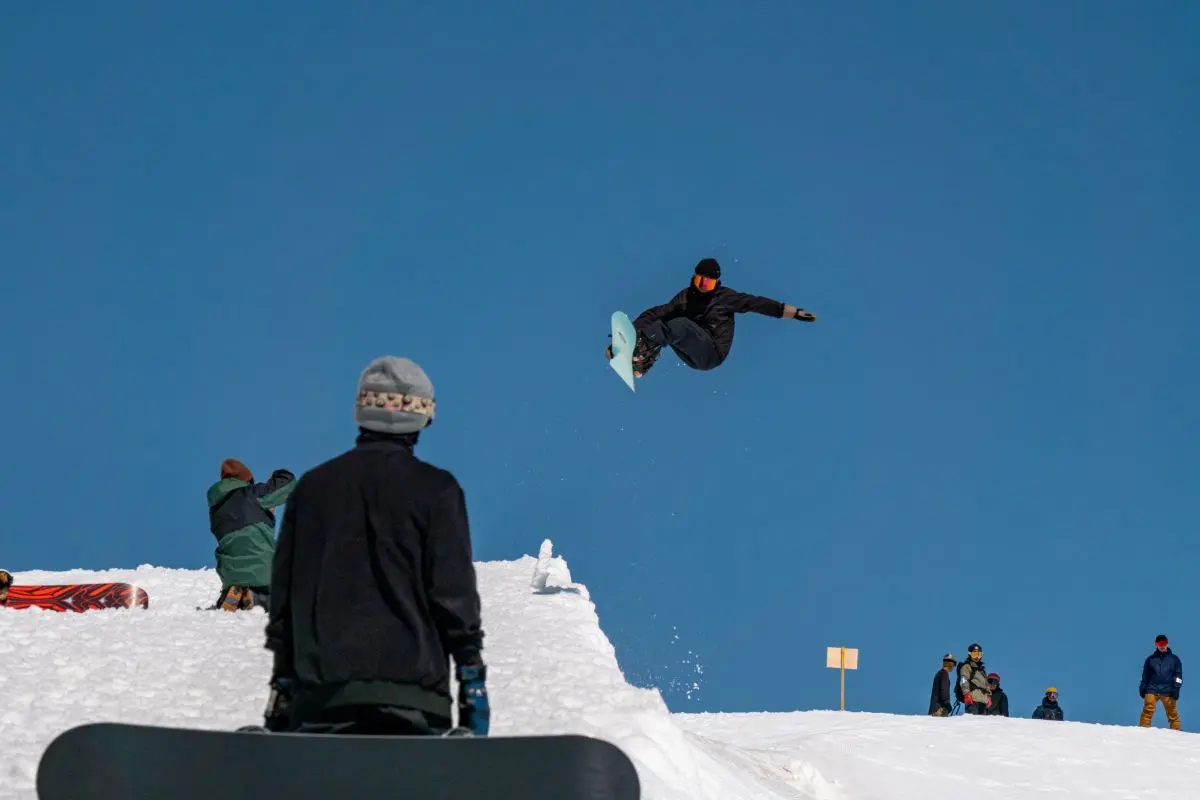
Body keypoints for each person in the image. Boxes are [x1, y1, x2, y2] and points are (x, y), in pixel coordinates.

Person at [261, 355, 488, 738]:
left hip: (320, 698)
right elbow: (453, 595)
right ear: (422, 417)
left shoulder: (313, 489)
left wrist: (283, 683)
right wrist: (471, 678)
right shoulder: (437, 490)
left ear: (361, 412)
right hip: (415, 701)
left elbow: (285, 598)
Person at [606, 257, 816, 378]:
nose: (704, 288)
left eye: (709, 284)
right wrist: (626, 335)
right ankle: (639, 360)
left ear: (717, 283)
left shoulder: (725, 298)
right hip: (692, 354)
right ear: (694, 278)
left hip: (712, 352)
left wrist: (792, 312)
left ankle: (641, 350)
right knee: (665, 322)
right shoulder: (685, 298)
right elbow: (657, 313)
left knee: (679, 325)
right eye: (700, 282)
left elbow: (756, 303)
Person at [206, 458, 296, 611]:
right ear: (247, 480)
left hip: (230, 575)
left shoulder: (216, 508)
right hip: (263, 572)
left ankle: (234, 595)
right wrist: (278, 474)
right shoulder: (253, 495)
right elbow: (288, 484)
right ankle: (255, 597)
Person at [1139, 634, 1183, 730]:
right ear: (1156, 644)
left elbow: (1178, 676)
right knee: (1147, 710)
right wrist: (1143, 687)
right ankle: (1143, 731)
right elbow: (1145, 675)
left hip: (1168, 689)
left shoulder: (1174, 659)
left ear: (1167, 644)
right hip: (1152, 688)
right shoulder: (1150, 660)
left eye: (1164, 643)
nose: (1162, 645)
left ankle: (1176, 734)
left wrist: (1176, 689)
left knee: (1173, 714)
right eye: (1160, 643)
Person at [955, 643, 993, 714]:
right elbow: (963, 680)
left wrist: (989, 697)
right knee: (973, 723)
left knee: (983, 724)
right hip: (973, 700)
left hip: (983, 702)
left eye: (978, 655)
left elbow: (986, 685)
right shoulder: (967, 666)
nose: (977, 657)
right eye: (974, 654)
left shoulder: (981, 671)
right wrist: (966, 693)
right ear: (970, 654)